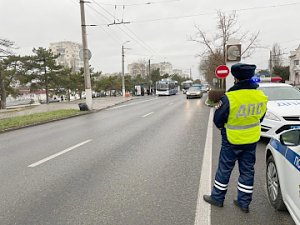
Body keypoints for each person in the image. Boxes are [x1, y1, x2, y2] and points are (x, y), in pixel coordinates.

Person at [203, 63, 268, 213]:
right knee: (247, 171)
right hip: (251, 139)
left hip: (231, 140)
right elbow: (261, 117)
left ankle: (217, 198)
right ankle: (243, 202)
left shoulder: (229, 98)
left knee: (224, 169)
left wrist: (224, 128)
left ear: (235, 78)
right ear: (251, 76)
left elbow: (218, 119)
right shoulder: (261, 96)